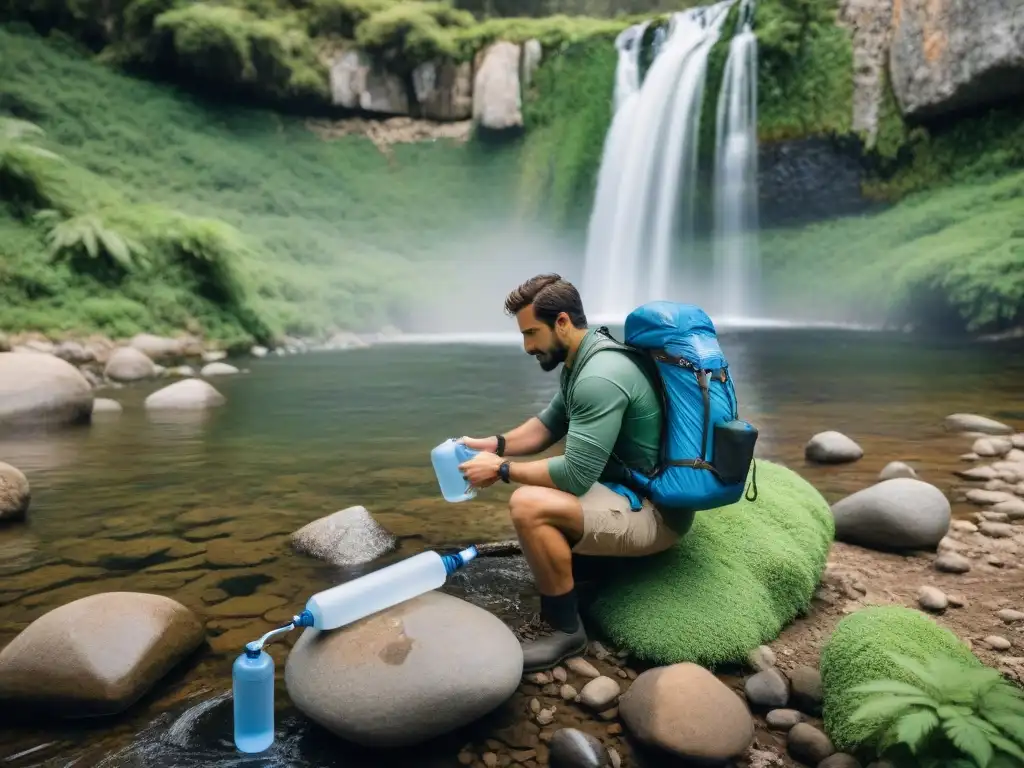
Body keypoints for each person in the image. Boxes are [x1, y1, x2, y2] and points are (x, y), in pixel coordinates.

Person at [457, 273, 684, 672]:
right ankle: (590, 570)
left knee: (528, 505)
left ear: (562, 322)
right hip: (629, 490)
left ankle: (563, 629)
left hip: (657, 514)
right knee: (539, 492)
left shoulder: (599, 376)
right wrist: (495, 445)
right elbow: (547, 425)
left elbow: (577, 475)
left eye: (532, 333)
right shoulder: (586, 357)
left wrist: (503, 471)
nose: (528, 346)